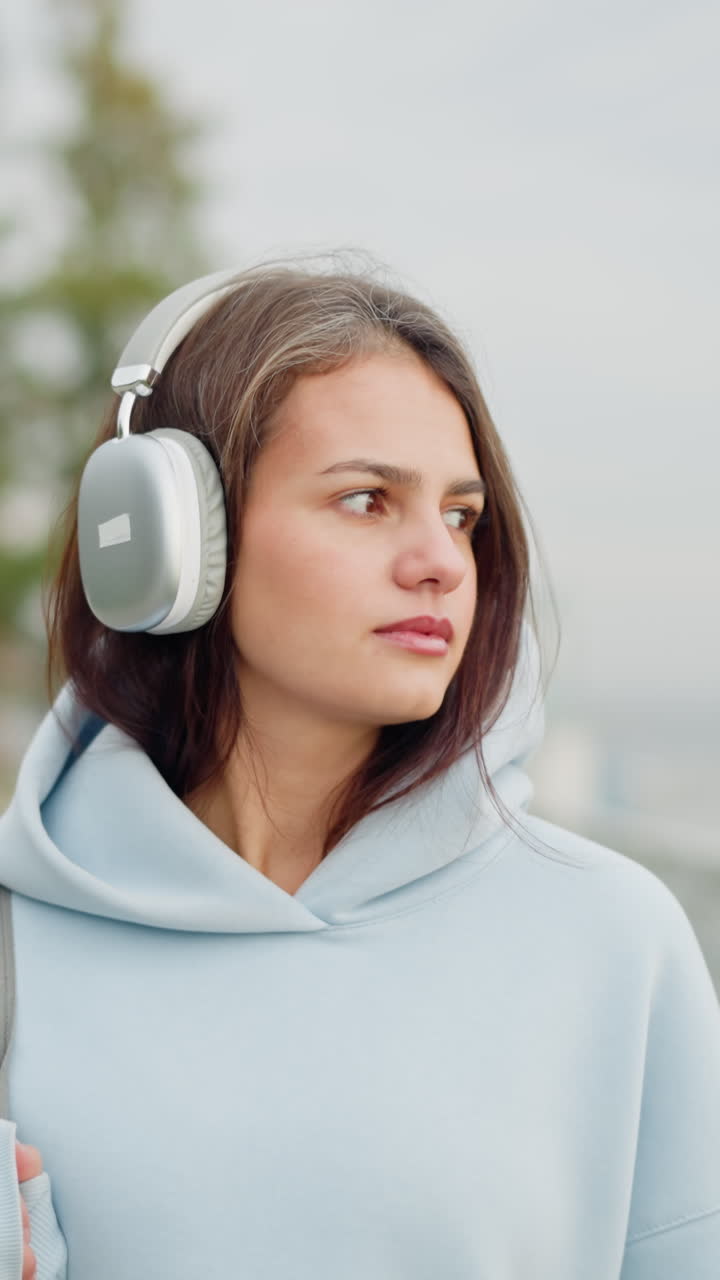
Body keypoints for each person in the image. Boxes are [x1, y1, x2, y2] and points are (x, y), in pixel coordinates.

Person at [0, 259, 718, 1280]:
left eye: (461, 515)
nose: (442, 562)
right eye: (368, 499)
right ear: (174, 536)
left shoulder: (614, 939)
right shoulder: (16, 941)